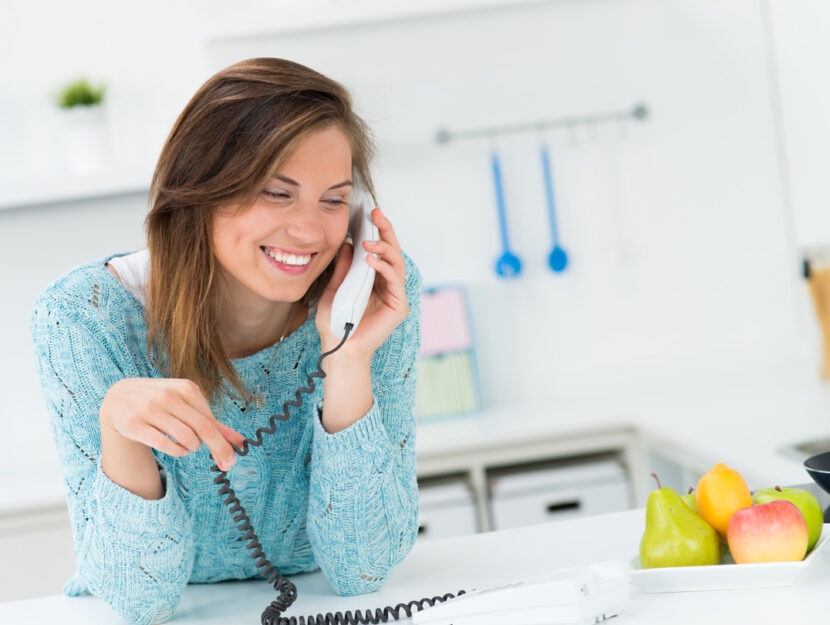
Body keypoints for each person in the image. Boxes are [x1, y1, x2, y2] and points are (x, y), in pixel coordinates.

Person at [28, 57, 422, 625]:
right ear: (202, 190)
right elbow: (140, 601)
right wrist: (120, 429)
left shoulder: (376, 295)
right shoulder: (82, 320)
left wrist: (349, 357)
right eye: (275, 192)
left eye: (334, 199)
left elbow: (362, 569)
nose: (310, 230)